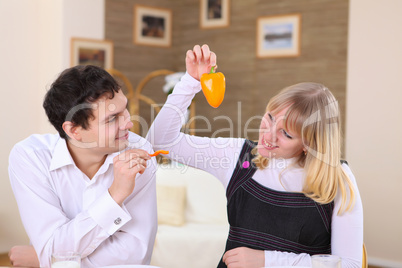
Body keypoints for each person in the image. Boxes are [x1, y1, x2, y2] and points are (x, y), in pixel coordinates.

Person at [147, 45, 363, 268]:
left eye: (286, 134)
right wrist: (191, 81)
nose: (268, 136)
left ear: (310, 143)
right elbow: (160, 141)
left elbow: (350, 265)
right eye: (269, 118)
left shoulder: (339, 178)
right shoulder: (237, 155)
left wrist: (267, 261)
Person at [8, 65, 157, 267]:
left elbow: (136, 252)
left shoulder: (139, 150)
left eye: (125, 109)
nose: (129, 123)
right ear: (74, 130)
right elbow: (52, 247)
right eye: (112, 118)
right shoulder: (31, 158)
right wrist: (115, 196)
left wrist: (45, 260)